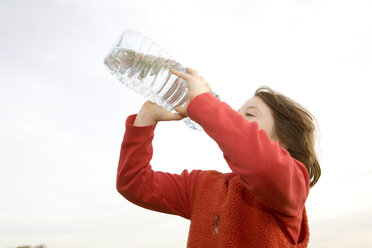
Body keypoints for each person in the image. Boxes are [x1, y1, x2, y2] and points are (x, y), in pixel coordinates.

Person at [116, 67, 321, 248]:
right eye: (235, 112)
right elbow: (134, 183)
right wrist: (146, 118)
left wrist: (204, 103)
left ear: (282, 144)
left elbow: (262, 166)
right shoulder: (203, 186)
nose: (235, 117)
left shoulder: (292, 184)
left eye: (249, 114)